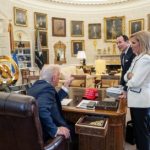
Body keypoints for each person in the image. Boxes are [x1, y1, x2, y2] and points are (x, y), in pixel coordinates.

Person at [27, 64, 74, 142]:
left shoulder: (36, 86)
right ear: (54, 78)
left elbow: (53, 99)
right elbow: (41, 108)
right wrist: (55, 130)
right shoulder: (47, 89)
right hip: (47, 130)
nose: (59, 78)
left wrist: (65, 86)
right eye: (59, 75)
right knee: (76, 128)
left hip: (35, 130)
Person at [124, 31, 150, 150]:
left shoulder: (145, 59)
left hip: (141, 102)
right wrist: (130, 76)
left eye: (133, 43)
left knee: (141, 133)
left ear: (142, 43)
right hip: (136, 101)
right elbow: (126, 76)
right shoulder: (136, 58)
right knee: (138, 131)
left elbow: (135, 82)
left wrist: (130, 77)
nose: (131, 45)